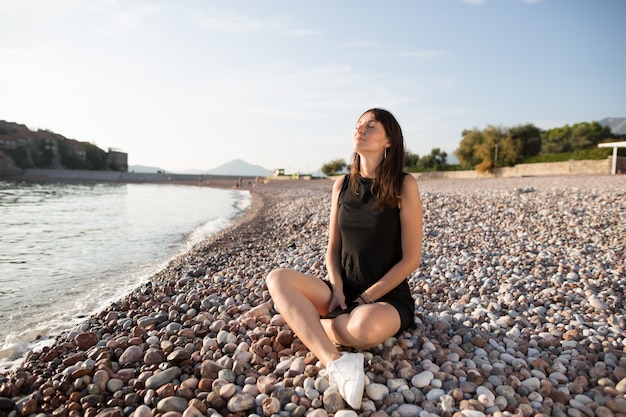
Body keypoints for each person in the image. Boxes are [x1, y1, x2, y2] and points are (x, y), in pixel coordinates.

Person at [266, 108, 423, 409]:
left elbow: (411, 259)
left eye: (371, 126)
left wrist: (366, 297)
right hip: (341, 290)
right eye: (358, 125)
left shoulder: (404, 185)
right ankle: (335, 362)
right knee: (278, 278)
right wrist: (337, 288)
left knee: (362, 329)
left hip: (385, 297)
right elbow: (333, 249)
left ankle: (304, 324)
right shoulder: (342, 185)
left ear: (389, 141)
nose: (360, 130)